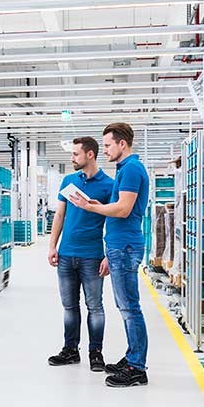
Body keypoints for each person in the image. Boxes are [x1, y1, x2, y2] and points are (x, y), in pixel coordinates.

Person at [68, 122, 150, 388]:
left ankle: (137, 367)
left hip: (125, 246)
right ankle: (132, 358)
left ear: (121, 144)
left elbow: (124, 210)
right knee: (125, 306)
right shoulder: (125, 169)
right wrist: (96, 205)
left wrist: (92, 209)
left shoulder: (132, 170)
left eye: (107, 145)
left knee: (129, 308)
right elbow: (117, 206)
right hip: (119, 245)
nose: (104, 151)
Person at [47, 137, 114, 371]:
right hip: (66, 254)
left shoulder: (108, 185)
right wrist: (52, 246)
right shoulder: (68, 181)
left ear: (90, 155)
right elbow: (60, 216)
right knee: (69, 306)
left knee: (95, 307)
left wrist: (108, 255)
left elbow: (114, 222)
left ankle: (96, 353)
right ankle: (70, 350)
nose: (72, 158)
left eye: (75, 154)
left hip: (92, 256)